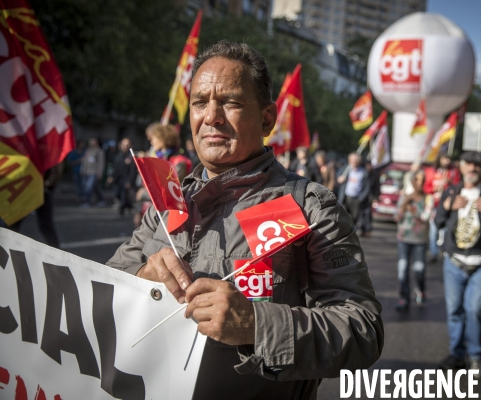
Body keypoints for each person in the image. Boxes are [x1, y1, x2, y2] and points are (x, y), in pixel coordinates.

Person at [106, 40, 383, 399]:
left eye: (231, 103)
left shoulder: (311, 207)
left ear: (267, 118)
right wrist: (143, 277)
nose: (211, 117)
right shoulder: (170, 199)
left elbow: (363, 330)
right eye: (199, 103)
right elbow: (101, 288)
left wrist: (257, 326)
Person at [435, 151, 481, 378]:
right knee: (454, 310)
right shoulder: (451, 190)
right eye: (469, 164)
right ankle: (457, 354)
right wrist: (447, 205)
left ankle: (476, 356)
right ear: (461, 166)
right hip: (454, 261)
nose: (473, 168)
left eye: (478, 165)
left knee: (476, 309)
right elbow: (438, 221)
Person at [394, 169, 434, 310]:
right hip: (403, 238)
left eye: (422, 180)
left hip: (420, 240)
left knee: (419, 268)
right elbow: (396, 218)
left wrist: (412, 209)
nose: (420, 183)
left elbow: (426, 217)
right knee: (403, 268)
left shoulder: (428, 198)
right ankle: (404, 298)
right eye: (417, 180)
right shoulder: (404, 197)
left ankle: (421, 289)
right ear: (412, 181)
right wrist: (404, 203)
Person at [424, 153, 461, 262]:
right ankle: (433, 252)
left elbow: (459, 186)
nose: (447, 161)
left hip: (448, 205)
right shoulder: (431, 171)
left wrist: (450, 183)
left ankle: (445, 251)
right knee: (433, 230)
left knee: (446, 230)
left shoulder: (454, 172)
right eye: (445, 159)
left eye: (449, 159)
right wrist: (434, 188)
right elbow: (426, 188)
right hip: (434, 205)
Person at [337, 152, 372, 231]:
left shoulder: (363, 172)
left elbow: (367, 187)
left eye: (356, 160)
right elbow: (337, 179)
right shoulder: (345, 169)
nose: (354, 161)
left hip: (356, 199)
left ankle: (351, 232)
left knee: (354, 218)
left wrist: (361, 198)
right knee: (343, 216)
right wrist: (339, 179)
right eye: (352, 160)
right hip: (345, 198)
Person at [107, 138, 137, 217]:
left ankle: (121, 211)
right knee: (117, 194)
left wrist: (130, 181)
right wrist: (112, 177)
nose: (125, 147)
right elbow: (115, 168)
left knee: (124, 196)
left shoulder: (131, 156)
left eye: (127, 145)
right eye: (123, 145)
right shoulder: (119, 155)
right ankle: (129, 205)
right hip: (118, 180)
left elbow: (133, 171)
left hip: (126, 180)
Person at [80, 137, 106, 207]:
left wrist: (100, 173)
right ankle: (101, 199)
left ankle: (86, 201)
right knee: (94, 187)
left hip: (93, 172)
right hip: (86, 172)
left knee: (88, 187)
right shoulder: (88, 150)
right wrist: (82, 170)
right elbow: (85, 161)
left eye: (93, 141)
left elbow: (101, 163)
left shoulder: (99, 151)